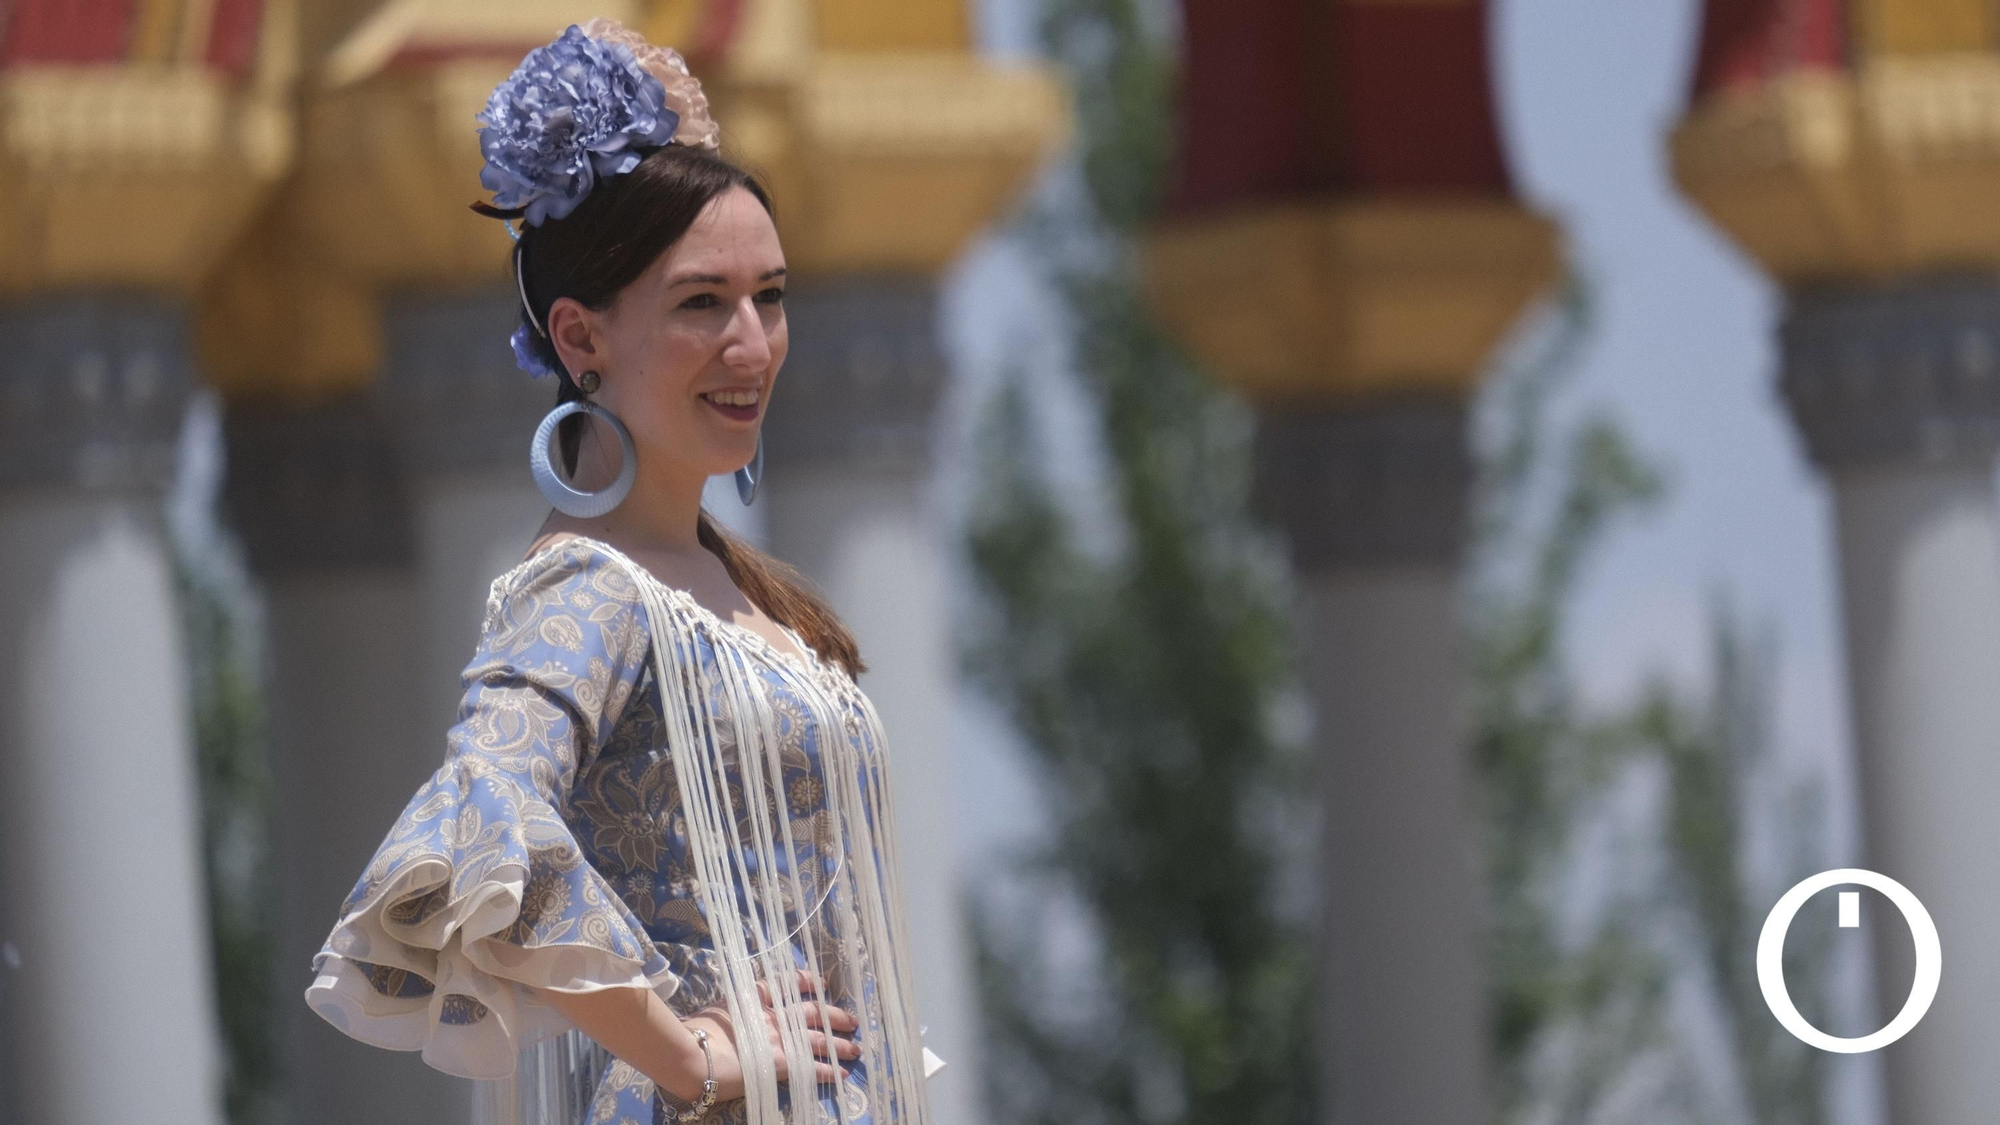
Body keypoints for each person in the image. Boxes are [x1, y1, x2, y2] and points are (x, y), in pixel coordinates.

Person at [302, 20, 936, 1124]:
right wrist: (687, 1054)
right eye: (701, 302)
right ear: (579, 335)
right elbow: (481, 821)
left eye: (769, 296)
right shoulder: (585, 589)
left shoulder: (741, 591)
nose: (752, 343)